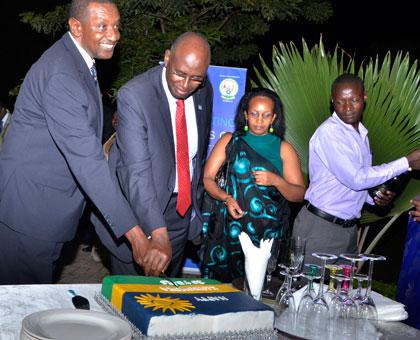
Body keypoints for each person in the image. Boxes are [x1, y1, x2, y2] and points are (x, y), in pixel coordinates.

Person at [0, 0, 170, 284]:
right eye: (102, 26)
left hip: (45, 207)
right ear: (76, 27)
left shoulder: (77, 60)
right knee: (21, 308)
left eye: (116, 26)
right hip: (30, 212)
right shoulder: (62, 73)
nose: (114, 35)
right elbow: (87, 162)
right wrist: (136, 235)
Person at [94, 32, 213, 277]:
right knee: (129, 302)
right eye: (180, 73)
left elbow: (196, 155)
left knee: (166, 300)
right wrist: (157, 232)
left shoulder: (203, 90)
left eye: (195, 78)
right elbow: (137, 172)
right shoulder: (135, 96)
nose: (185, 84)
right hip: (137, 214)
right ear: (167, 58)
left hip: (181, 211)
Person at [292, 73, 420, 265]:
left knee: (342, 293)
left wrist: (372, 197)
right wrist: (406, 162)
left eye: (354, 100)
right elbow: (356, 179)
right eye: (340, 102)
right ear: (332, 101)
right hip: (321, 229)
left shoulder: (360, 133)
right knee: (309, 291)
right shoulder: (330, 133)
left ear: (364, 97)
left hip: (348, 231)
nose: (348, 107)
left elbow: (346, 183)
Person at [201, 88, 306, 282]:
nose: (259, 120)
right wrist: (226, 198)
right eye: (254, 114)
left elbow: (300, 194)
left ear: (274, 117)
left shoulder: (284, 149)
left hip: (267, 235)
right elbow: (207, 178)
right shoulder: (229, 141)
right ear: (245, 115)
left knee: (261, 292)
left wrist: (276, 181)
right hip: (230, 231)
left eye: (266, 115)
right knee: (224, 292)